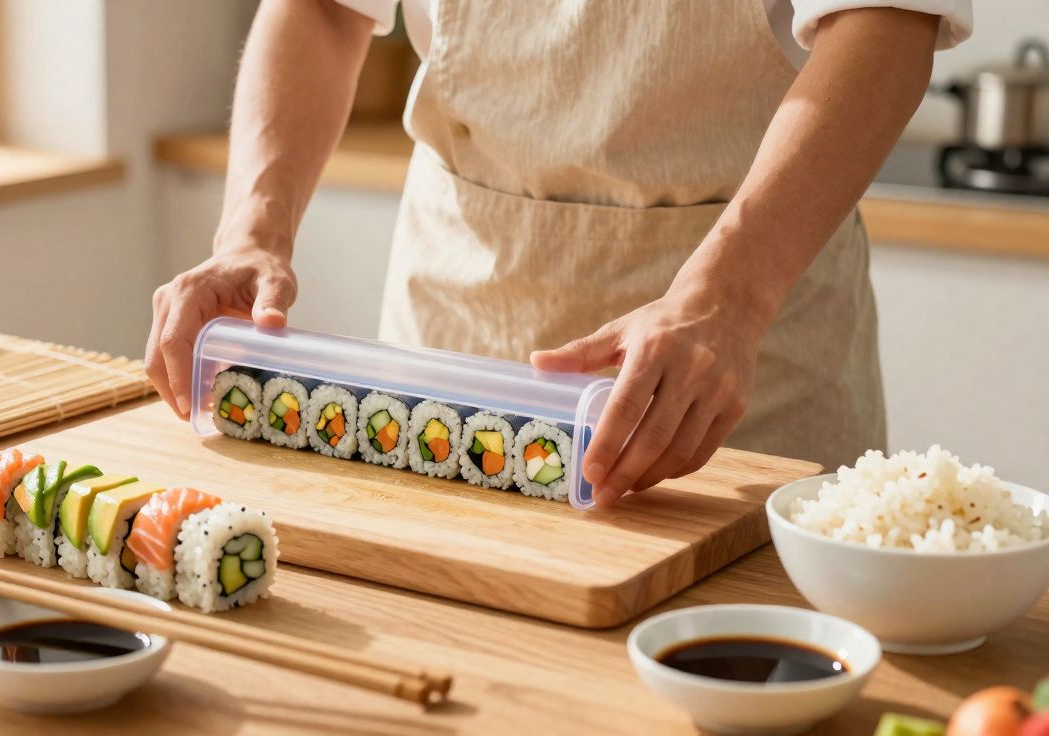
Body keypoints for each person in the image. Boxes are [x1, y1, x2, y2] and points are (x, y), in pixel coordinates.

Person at [147, 0, 972, 507]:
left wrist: (731, 297)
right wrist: (251, 234)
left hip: (747, 337)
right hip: (453, 328)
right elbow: (326, 7)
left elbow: (885, 19)